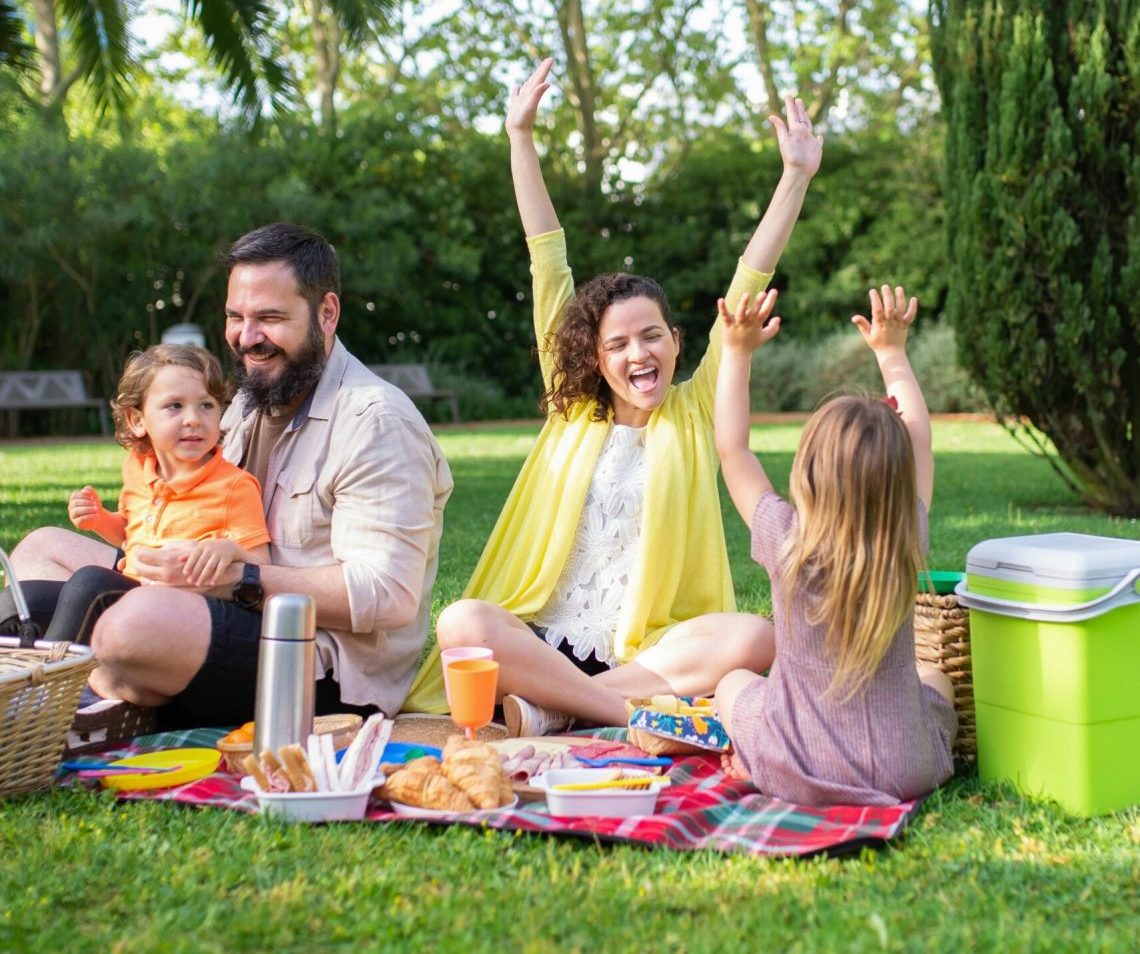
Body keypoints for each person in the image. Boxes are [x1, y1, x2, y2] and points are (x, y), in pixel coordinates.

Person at [403, 57, 822, 735]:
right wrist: (520, 137)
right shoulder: (572, 407)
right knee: (463, 621)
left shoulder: (695, 412)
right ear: (595, 359)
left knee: (754, 637)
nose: (638, 354)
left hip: (646, 655)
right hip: (541, 640)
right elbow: (547, 256)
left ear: (678, 342)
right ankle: (619, 714)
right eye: (619, 345)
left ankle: (549, 711)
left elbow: (749, 280)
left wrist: (795, 177)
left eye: (651, 337)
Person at [7, 224, 453, 735]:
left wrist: (237, 581)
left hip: (315, 662)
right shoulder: (247, 400)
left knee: (132, 626)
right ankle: (83, 689)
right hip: (206, 598)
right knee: (38, 556)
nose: (246, 338)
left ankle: (67, 709)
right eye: (235, 318)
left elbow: (388, 596)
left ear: (327, 313)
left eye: (269, 318)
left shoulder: (375, 422)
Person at [712, 283, 957, 805]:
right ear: (898, 480)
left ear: (808, 471)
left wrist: (736, 354)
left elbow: (733, 452)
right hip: (902, 769)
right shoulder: (904, 534)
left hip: (795, 765)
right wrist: (891, 353)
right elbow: (920, 440)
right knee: (935, 676)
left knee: (733, 683)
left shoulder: (786, 540)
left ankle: (750, 758)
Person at [28, 344, 271, 645]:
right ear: (137, 420)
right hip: (133, 591)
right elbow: (132, 535)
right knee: (28, 597)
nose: (194, 418)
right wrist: (100, 520)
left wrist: (229, 551)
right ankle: (13, 675)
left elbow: (263, 564)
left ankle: (50, 682)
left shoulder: (233, 486)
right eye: (175, 406)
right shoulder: (138, 469)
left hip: (183, 612)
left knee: (89, 583)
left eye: (206, 405)